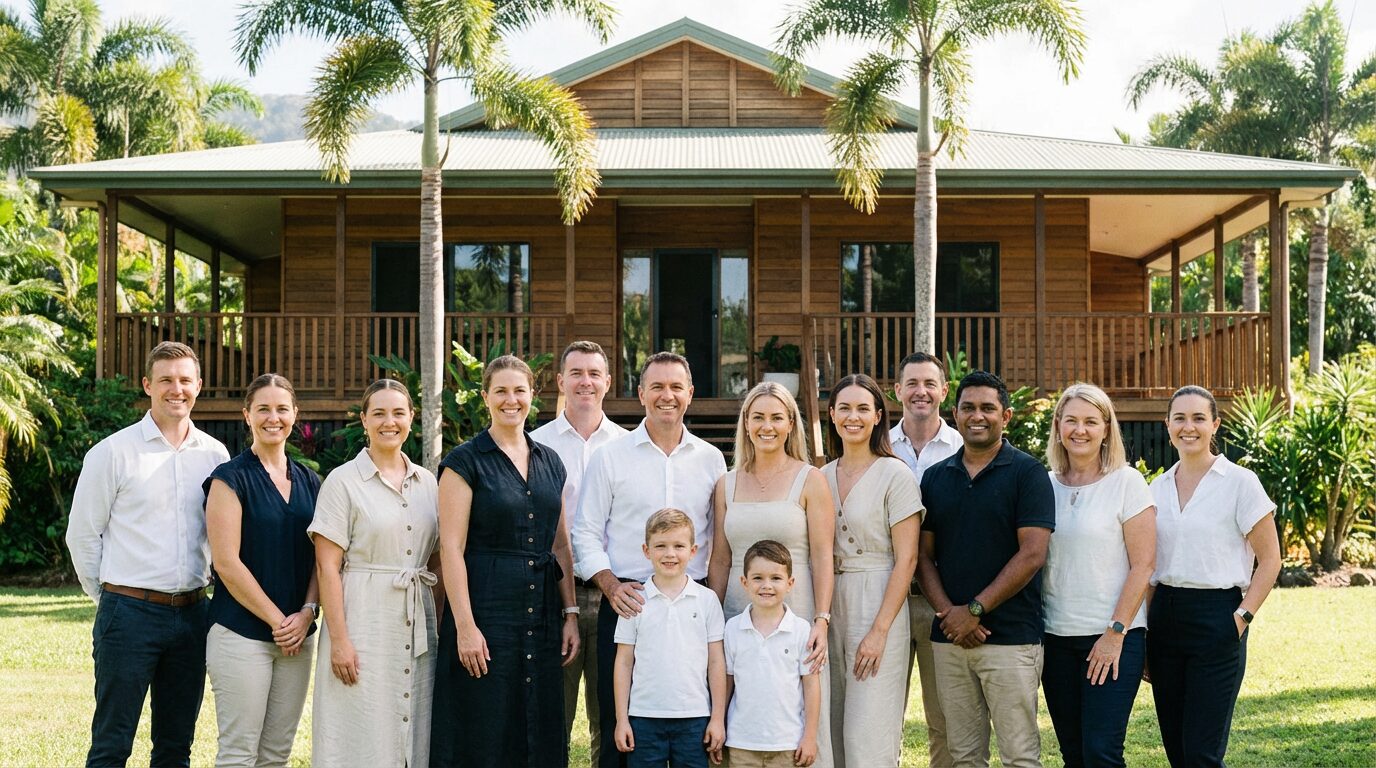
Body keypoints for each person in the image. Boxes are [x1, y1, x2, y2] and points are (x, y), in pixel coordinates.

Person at [66, 341, 230, 768]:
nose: (176, 389)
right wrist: (111, 600)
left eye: (184, 380)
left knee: (176, 748)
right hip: (128, 614)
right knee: (111, 745)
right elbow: (82, 535)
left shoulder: (215, 456)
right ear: (147, 385)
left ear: (199, 385)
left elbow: (220, 535)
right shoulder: (112, 453)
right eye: (165, 381)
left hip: (193, 616)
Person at [573, 352, 727, 768]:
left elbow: (717, 539)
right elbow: (585, 531)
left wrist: (711, 599)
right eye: (657, 386)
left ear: (690, 394)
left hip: (691, 607)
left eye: (676, 387)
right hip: (628, 601)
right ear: (641, 394)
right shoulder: (612, 456)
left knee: (694, 727)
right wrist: (609, 585)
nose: (667, 396)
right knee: (616, 725)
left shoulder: (711, 460)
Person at [431, 355, 581, 767]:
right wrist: (464, 627)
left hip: (543, 615)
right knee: (486, 722)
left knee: (539, 720)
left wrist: (569, 612)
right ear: (485, 397)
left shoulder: (551, 461)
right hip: (486, 612)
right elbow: (451, 550)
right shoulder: (464, 462)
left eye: (519, 390)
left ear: (533, 396)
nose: (510, 399)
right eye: (500, 391)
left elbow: (562, 546)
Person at [916, 370, 1055, 768]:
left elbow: (1032, 554)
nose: (978, 416)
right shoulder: (935, 477)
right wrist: (950, 615)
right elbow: (924, 556)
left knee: (1019, 756)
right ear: (955, 414)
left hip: (1011, 639)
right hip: (950, 641)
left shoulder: (1027, 474)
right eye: (968, 407)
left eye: (988, 408)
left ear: (1006, 416)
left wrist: (973, 610)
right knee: (963, 756)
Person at [308, 379, 441, 767]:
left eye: (398, 413)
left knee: (413, 724)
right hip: (362, 620)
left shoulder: (427, 483)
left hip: (417, 624)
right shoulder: (342, 482)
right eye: (379, 413)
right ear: (363, 420)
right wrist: (340, 641)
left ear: (411, 419)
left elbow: (436, 558)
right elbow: (327, 566)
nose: (389, 422)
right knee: (359, 726)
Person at [1147, 385, 1281, 768]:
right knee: (1176, 749)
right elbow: (1150, 569)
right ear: (1168, 425)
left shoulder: (1240, 482)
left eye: (1199, 418)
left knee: (1202, 753)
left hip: (1218, 616)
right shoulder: (1155, 488)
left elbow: (1270, 561)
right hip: (1164, 620)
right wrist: (1145, 629)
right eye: (1180, 418)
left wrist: (1242, 619)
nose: (1189, 427)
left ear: (1215, 424)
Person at [707, 381, 835, 766]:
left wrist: (822, 619)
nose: (768, 426)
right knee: (740, 702)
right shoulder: (726, 484)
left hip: (796, 610)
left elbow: (822, 554)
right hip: (736, 611)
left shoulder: (810, 479)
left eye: (777, 417)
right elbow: (720, 560)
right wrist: (712, 620)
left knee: (796, 702)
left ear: (791, 424)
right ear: (745, 423)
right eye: (758, 416)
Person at [204, 373, 323, 767]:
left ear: (295, 415)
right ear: (246, 416)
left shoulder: (313, 482)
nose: (274, 417)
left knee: (276, 755)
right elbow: (226, 563)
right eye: (263, 409)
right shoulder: (229, 479)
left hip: (297, 638)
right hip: (241, 634)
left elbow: (324, 560)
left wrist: (306, 615)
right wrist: (280, 622)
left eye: (282, 409)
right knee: (239, 753)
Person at [1040, 384, 1155, 768]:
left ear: (1107, 428)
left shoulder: (1127, 483)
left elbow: (1144, 565)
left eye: (1091, 421)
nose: (1080, 429)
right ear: (1058, 426)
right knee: (1073, 754)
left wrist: (1115, 633)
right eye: (1071, 420)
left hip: (1112, 637)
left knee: (1101, 753)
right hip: (1055, 639)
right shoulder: (1043, 485)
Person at [531, 341, 629, 765]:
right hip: (554, 596)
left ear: (608, 382)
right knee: (552, 713)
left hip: (614, 596)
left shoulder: (629, 446)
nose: (585, 381)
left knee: (610, 719)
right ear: (560, 382)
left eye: (594, 373)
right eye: (576, 373)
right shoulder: (535, 445)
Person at [822, 373, 922, 768]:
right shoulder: (821, 476)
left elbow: (908, 559)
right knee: (830, 727)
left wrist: (879, 631)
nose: (853, 416)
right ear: (831, 415)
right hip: (831, 603)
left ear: (878, 416)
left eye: (863, 408)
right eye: (844, 408)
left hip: (879, 602)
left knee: (869, 733)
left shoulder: (896, 475)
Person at [888, 351, 963, 766]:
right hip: (889, 598)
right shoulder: (878, 445)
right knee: (883, 713)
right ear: (897, 390)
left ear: (944, 391)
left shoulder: (962, 447)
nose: (921, 392)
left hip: (942, 600)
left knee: (945, 717)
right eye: (912, 383)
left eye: (929, 384)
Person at [612, 509, 727, 768]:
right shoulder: (635, 600)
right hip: (644, 716)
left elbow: (717, 662)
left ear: (693, 550)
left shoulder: (707, 600)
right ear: (646, 550)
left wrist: (717, 718)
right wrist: (622, 719)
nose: (670, 554)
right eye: (661, 546)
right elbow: (623, 662)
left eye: (679, 546)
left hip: (694, 717)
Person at [723, 539, 823, 768]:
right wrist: (719, 723)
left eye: (775, 578)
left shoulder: (800, 630)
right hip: (742, 743)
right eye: (758, 578)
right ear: (744, 582)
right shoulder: (732, 628)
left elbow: (810, 686)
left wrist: (809, 737)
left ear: (790, 583)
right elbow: (727, 682)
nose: (766, 585)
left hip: (787, 744)